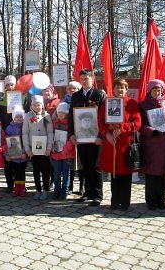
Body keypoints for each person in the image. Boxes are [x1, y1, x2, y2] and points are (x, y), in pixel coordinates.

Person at [98, 79, 142, 211]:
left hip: (125, 145)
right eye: (117, 87)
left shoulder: (132, 103)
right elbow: (100, 121)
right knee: (114, 174)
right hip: (112, 143)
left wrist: (123, 128)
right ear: (113, 89)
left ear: (126, 89)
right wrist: (107, 133)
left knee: (125, 174)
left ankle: (125, 202)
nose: (120, 90)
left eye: (122, 87)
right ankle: (114, 201)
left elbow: (137, 122)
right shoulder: (107, 102)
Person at [68, 69, 106, 207]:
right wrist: (71, 133)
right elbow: (71, 116)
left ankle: (97, 195)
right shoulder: (76, 96)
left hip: (96, 137)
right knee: (85, 165)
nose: (84, 81)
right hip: (81, 137)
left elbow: (104, 117)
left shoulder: (99, 94)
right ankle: (87, 192)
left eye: (86, 78)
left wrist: (101, 136)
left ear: (92, 78)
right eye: (82, 79)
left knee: (95, 165)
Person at [138, 79, 165, 211]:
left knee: (162, 174)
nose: (157, 92)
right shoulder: (143, 106)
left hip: (164, 144)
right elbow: (140, 125)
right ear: (149, 91)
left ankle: (161, 201)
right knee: (150, 175)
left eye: (159, 90)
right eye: (154, 90)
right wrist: (151, 131)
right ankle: (150, 201)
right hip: (150, 144)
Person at [23, 95, 53, 200]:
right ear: (31, 105)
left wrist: (49, 147)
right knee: (35, 170)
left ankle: (45, 189)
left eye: (38, 105)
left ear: (42, 105)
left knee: (45, 170)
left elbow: (50, 133)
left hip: (44, 149)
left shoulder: (47, 116)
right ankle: (38, 189)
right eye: (34, 105)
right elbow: (25, 133)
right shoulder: (27, 117)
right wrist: (27, 149)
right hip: (33, 149)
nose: (36, 107)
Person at [51, 102, 75, 200]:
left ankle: (64, 192)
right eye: (59, 112)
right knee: (56, 174)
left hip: (66, 153)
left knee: (66, 173)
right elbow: (51, 136)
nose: (61, 115)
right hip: (56, 153)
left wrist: (65, 150)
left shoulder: (70, 125)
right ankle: (56, 191)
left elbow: (71, 139)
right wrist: (51, 146)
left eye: (63, 113)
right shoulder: (54, 123)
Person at [0, 75, 17, 193]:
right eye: (7, 85)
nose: (10, 87)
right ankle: (10, 183)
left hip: (16, 131)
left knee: (17, 158)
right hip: (5, 132)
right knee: (7, 159)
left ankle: (18, 183)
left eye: (12, 84)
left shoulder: (20, 96)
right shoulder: (0, 98)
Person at [3, 106, 28, 197]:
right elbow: (6, 142)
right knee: (16, 172)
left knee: (22, 172)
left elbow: (26, 141)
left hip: (23, 155)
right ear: (13, 117)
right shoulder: (9, 128)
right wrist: (7, 154)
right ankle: (16, 189)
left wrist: (25, 152)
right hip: (14, 155)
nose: (19, 119)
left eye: (20, 117)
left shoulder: (26, 126)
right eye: (17, 117)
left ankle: (22, 189)